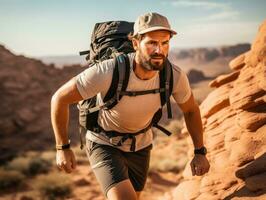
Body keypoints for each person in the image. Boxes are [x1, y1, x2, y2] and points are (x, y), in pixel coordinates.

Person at [51, 12, 210, 200]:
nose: (159, 50)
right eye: (151, 42)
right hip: (104, 143)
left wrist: (200, 151)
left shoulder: (174, 75)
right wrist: (62, 148)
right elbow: (59, 98)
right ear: (135, 43)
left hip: (141, 146)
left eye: (165, 42)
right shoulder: (108, 71)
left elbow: (191, 110)